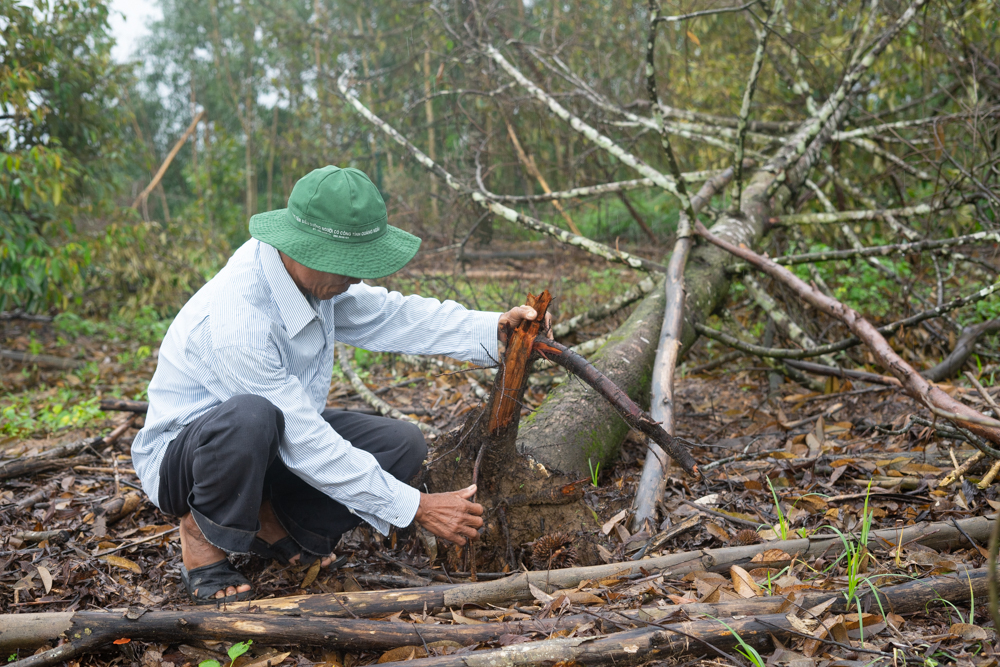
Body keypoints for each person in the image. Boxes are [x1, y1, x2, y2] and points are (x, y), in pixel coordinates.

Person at [131, 165, 551, 603]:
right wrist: (415, 507)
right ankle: (201, 543)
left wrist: (491, 330)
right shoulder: (237, 321)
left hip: (272, 441)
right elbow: (304, 440)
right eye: (348, 266)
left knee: (401, 443)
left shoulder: (309, 280)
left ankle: (269, 518)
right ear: (303, 249)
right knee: (250, 416)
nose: (356, 278)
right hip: (187, 460)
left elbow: (392, 315)